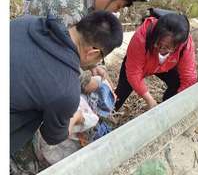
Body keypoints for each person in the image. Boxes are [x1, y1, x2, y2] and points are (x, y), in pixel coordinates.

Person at [10, 11, 123, 156]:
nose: (98, 63)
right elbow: (52, 137)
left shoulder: (27, 22)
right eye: (100, 59)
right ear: (93, 53)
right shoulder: (66, 90)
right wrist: (77, 117)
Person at [114, 9, 197, 111]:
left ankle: (167, 109)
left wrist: (176, 102)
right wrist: (150, 100)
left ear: (178, 45)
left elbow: (189, 78)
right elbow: (133, 73)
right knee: (121, 92)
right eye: (158, 44)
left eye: (167, 47)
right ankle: (108, 114)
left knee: (178, 84)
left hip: (167, 66)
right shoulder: (142, 36)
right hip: (143, 62)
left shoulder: (185, 45)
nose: (161, 49)